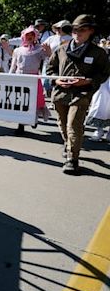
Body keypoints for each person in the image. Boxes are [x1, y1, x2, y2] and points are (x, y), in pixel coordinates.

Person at [46, 14, 110, 174]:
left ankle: (72, 159)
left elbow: (104, 73)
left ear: (91, 31)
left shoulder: (98, 53)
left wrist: (88, 81)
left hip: (81, 94)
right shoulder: (61, 49)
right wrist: (56, 80)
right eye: (75, 29)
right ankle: (69, 145)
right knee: (62, 124)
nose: (78, 32)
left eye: (82, 29)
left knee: (73, 125)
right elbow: (50, 69)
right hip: (60, 93)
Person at [9, 25, 52, 135]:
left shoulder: (39, 49)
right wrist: (9, 77)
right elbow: (13, 66)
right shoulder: (18, 50)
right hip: (20, 78)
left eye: (32, 35)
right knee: (20, 102)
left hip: (33, 79)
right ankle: (20, 125)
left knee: (32, 102)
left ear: (35, 36)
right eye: (27, 35)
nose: (29, 37)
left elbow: (49, 60)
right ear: (23, 36)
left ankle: (33, 119)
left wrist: (48, 52)